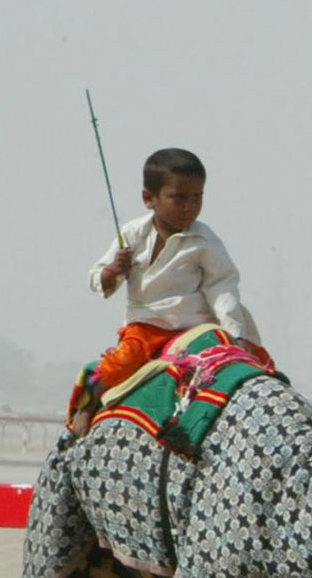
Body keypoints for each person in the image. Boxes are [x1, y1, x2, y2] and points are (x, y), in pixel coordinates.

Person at [86, 147, 267, 397]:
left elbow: (222, 287)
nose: (190, 207)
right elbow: (99, 280)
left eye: (197, 198)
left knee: (255, 368)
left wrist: (236, 335)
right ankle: (87, 411)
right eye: (179, 199)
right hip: (145, 328)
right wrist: (114, 270)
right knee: (117, 368)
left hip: (196, 326)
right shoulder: (131, 234)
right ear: (149, 198)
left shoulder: (205, 241)